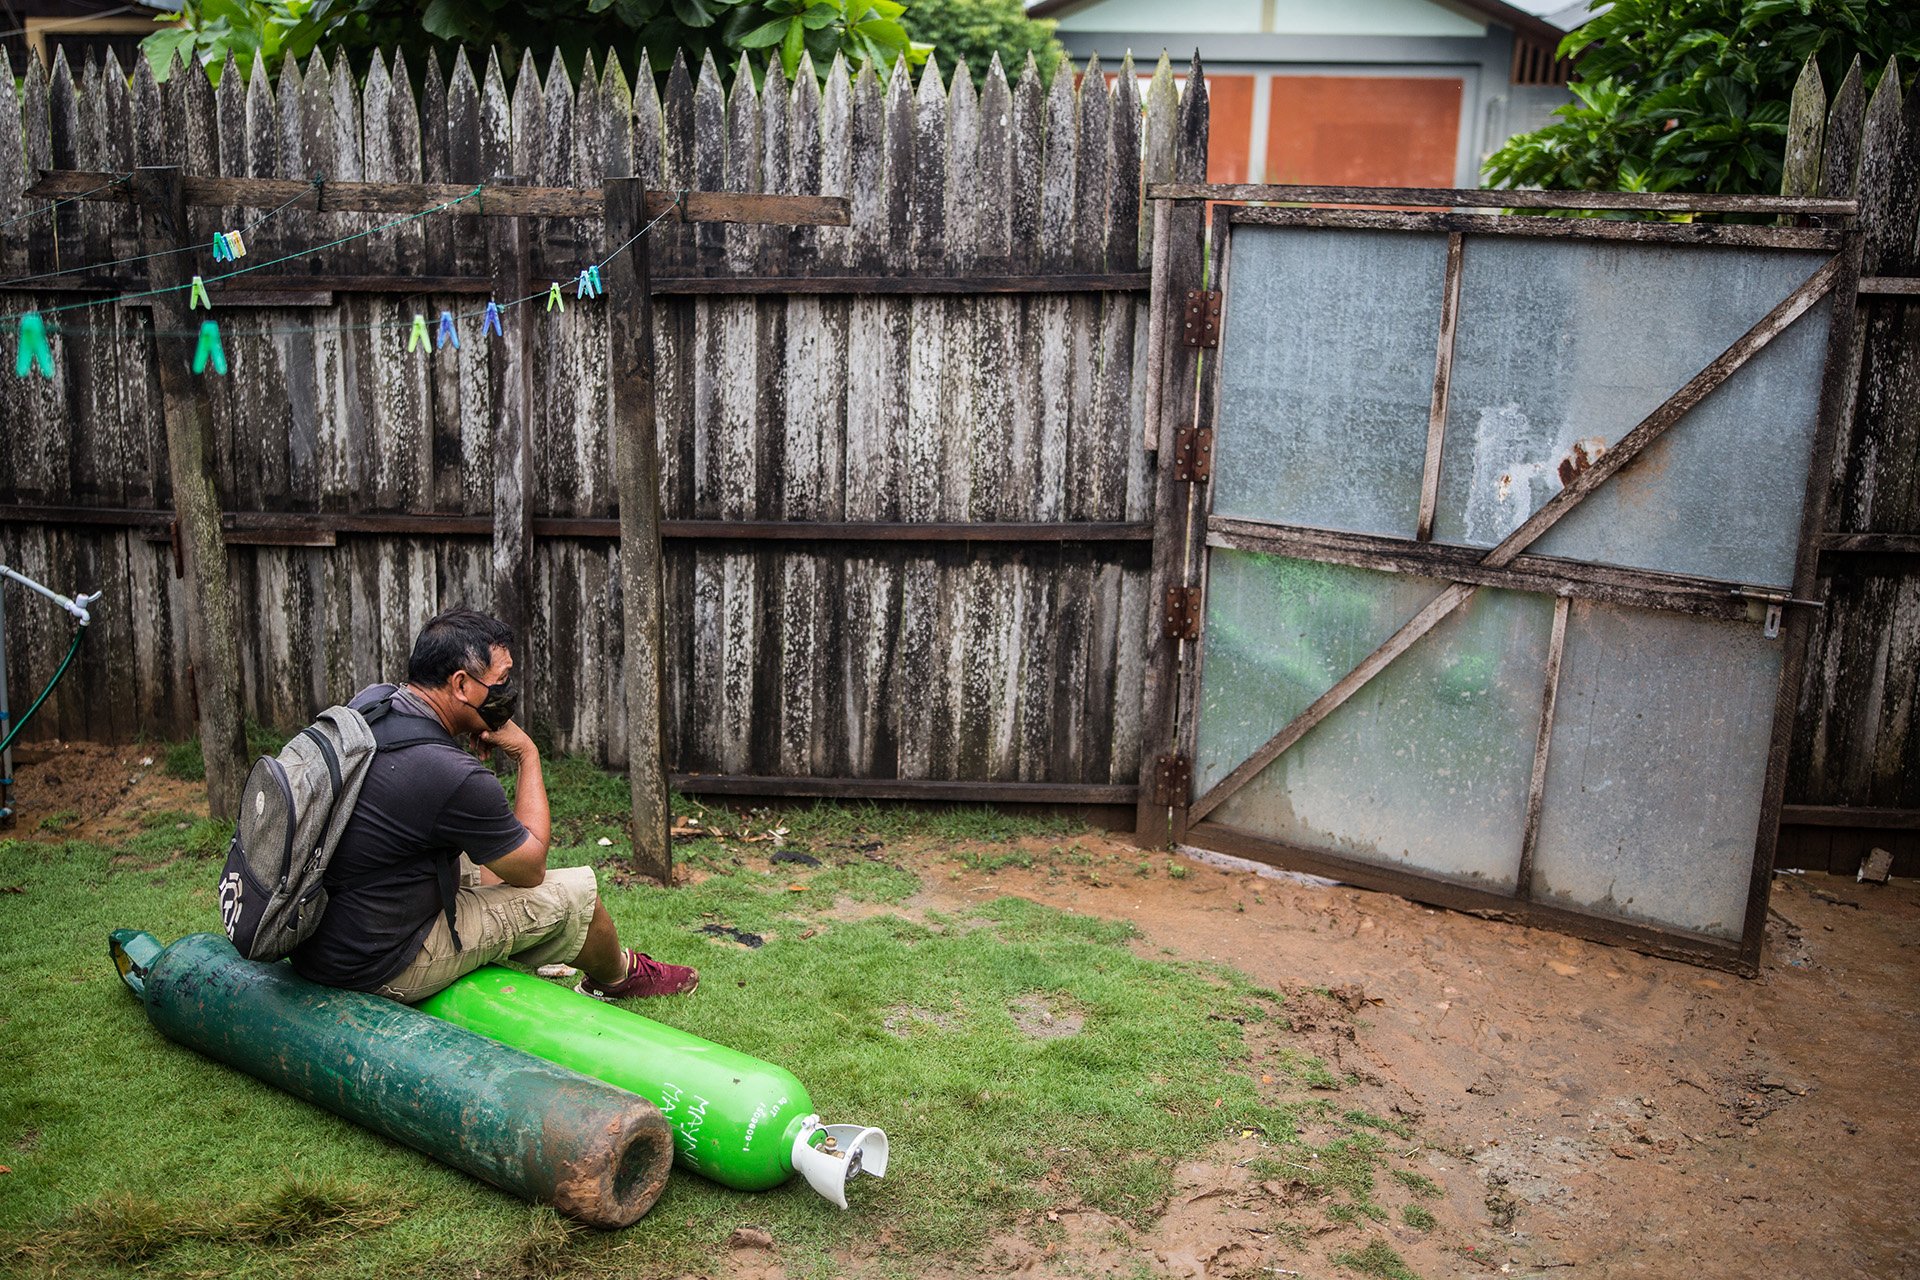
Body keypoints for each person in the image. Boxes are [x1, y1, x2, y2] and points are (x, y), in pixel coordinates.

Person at [290, 607, 697, 1004]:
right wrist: (527, 755)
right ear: (462, 685)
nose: (507, 693)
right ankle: (617, 978)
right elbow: (531, 867)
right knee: (575, 894)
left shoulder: (372, 704)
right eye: (500, 682)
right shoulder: (452, 773)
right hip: (377, 964)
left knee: (477, 859)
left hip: (316, 938)